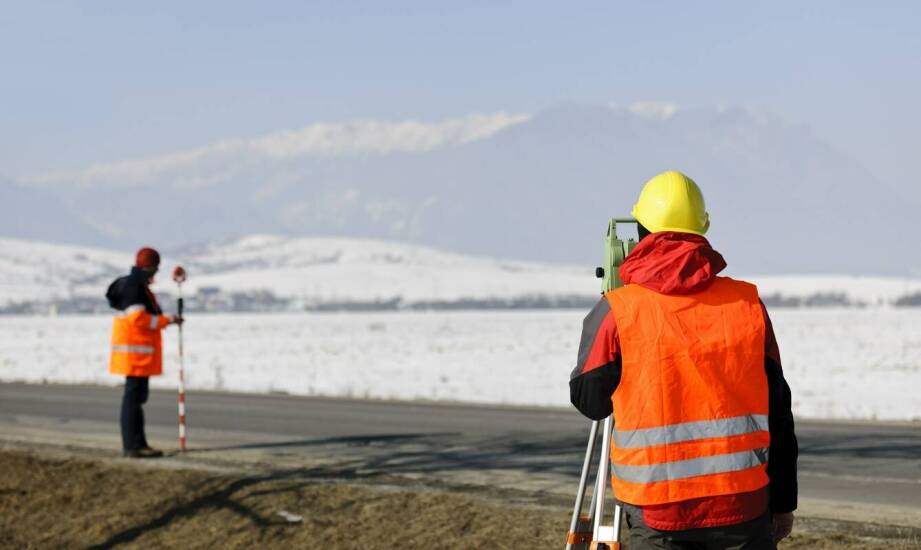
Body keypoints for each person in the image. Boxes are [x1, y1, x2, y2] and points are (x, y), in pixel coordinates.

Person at [570, 171, 798, 549]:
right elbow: (779, 411)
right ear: (702, 230)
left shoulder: (619, 311)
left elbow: (590, 402)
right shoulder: (747, 305)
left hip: (659, 517)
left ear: (640, 231)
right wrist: (784, 502)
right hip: (744, 509)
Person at [106, 247, 182, 458]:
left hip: (135, 354)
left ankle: (137, 444)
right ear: (150, 266)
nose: (155, 273)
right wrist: (166, 320)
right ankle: (133, 446)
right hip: (135, 354)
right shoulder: (134, 287)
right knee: (133, 398)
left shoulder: (135, 285)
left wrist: (167, 319)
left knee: (136, 398)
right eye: (155, 268)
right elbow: (138, 319)